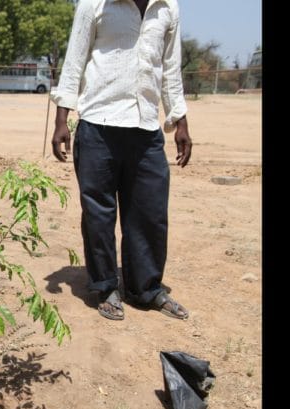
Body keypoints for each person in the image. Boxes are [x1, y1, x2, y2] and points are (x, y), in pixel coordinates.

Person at [50, 0, 192, 321]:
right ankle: (105, 285)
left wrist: (179, 120)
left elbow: (170, 67)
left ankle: (146, 289)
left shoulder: (168, 7)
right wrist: (62, 119)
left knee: (150, 212)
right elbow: (75, 60)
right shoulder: (94, 3)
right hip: (99, 123)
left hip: (146, 127)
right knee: (98, 213)